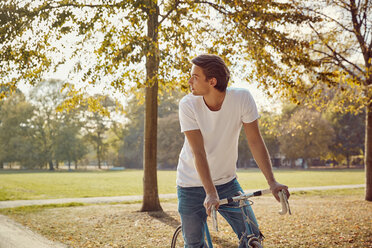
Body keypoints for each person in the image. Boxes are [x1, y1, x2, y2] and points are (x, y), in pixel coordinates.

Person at [176, 54, 290, 247]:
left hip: (227, 182)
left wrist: (272, 182)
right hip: (190, 184)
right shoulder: (188, 105)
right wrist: (210, 192)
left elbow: (255, 141)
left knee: (252, 237)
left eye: (195, 76)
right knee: (194, 244)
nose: (189, 81)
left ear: (212, 81)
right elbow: (199, 152)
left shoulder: (242, 98)